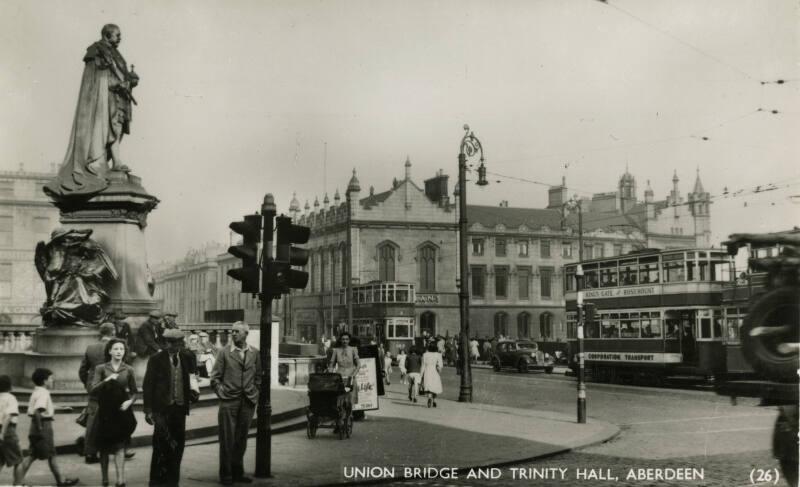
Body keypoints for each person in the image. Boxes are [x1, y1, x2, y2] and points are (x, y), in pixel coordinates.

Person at [43, 24, 139, 199]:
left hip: (119, 97)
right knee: (109, 127)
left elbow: (120, 74)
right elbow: (98, 78)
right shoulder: (96, 50)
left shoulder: (116, 53)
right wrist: (116, 84)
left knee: (116, 127)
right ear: (107, 35)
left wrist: (130, 79)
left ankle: (116, 162)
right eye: (117, 35)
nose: (120, 38)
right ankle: (102, 163)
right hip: (105, 98)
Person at [143, 329, 199, 487]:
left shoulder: (187, 357)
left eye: (175, 343)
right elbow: (148, 386)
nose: (172, 346)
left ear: (180, 344)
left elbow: (192, 376)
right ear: (165, 343)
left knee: (178, 445)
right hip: (162, 409)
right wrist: (148, 411)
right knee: (161, 444)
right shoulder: (156, 359)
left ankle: (173, 481)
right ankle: (156, 481)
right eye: (169, 343)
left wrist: (194, 391)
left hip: (179, 408)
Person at [210, 322, 261, 485]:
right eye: (232, 332)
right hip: (228, 401)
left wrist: (255, 391)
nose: (233, 334)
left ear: (246, 334)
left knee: (241, 438)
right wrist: (221, 393)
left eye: (237, 332)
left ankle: (238, 472)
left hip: (247, 401)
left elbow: (259, 375)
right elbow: (215, 378)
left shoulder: (255, 353)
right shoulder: (224, 353)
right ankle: (226, 475)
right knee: (227, 439)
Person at [17, 369, 79, 487]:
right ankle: (60, 481)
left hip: (34, 426)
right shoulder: (44, 393)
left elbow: (42, 407)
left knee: (32, 455)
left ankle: (18, 482)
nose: (52, 380)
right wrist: (41, 428)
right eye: (50, 378)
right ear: (45, 381)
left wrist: (61, 408)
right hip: (43, 426)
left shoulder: (37, 391)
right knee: (51, 455)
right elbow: (38, 411)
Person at [90, 339, 137, 487]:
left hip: (121, 411)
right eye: (115, 349)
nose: (118, 352)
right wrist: (107, 380)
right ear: (109, 351)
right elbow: (93, 389)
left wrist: (130, 402)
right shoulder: (101, 368)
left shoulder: (129, 369)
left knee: (120, 445)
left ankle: (120, 480)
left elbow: (135, 392)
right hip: (105, 411)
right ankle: (105, 479)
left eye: (121, 349)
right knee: (104, 448)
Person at [78, 322, 116, 464]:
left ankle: (90, 452)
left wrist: (88, 384)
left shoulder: (91, 348)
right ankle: (117, 448)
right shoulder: (116, 347)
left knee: (93, 419)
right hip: (110, 387)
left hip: (94, 387)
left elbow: (82, 370)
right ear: (112, 331)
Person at [0, 375, 23, 485]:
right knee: (18, 461)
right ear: (10, 386)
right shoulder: (11, 398)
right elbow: (9, 415)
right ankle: (17, 484)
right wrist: (2, 433)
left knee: (0, 460)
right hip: (8, 430)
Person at [328, 332, 360, 404]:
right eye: (343, 339)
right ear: (340, 340)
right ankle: (341, 413)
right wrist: (330, 374)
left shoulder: (353, 349)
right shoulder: (336, 350)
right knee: (340, 398)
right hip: (339, 377)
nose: (345, 341)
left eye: (346, 339)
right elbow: (332, 364)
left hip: (350, 377)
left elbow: (358, 364)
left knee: (350, 397)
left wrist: (353, 375)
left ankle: (350, 414)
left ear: (349, 340)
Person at [420, 342, 444, 408]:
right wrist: (439, 370)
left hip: (427, 371)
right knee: (435, 386)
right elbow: (440, 365)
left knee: (428, 386)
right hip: (435, 371)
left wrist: (421, 375)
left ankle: (429, 397)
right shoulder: (438, 355)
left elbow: (423, 366)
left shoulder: (425, 354)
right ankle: (434, 400)